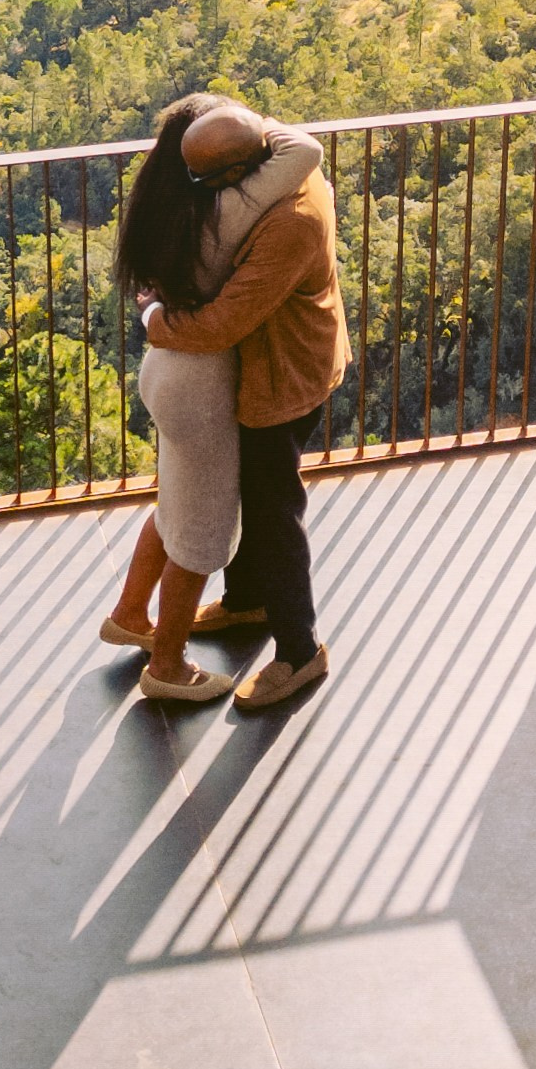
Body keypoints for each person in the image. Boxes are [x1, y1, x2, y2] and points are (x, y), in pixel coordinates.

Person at [100, 93, 350, 712]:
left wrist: (154, 317)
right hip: (257, 368)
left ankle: (299, 652)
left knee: (272, 512)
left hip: (282, 376)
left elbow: (217, 327)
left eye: (208, 181)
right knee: (230, 490)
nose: (200, 192)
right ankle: (246, 602)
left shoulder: (288, 220)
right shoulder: (270, 171)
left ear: (239, 172)